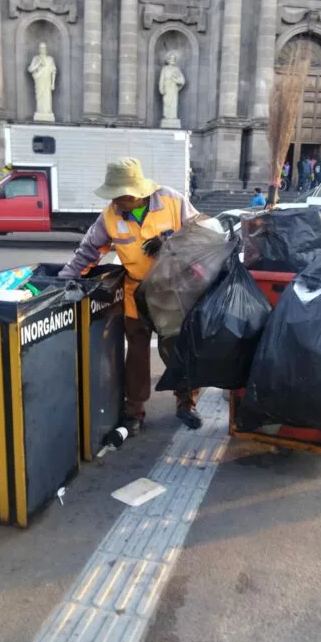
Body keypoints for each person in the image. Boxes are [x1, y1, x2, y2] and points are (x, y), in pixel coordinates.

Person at [58, 157, 202, 434]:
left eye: (119, 196)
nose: (115, 201)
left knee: (179, 350)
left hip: (173, 292)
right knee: (136, 356)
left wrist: (171, 242)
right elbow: (88, 252)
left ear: (134, 193)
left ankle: (186, 404)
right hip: (136, 294)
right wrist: (62, 280)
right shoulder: (110, 216)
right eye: (112, 196)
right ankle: (134, 412)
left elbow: (202, 232)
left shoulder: (172, 201)